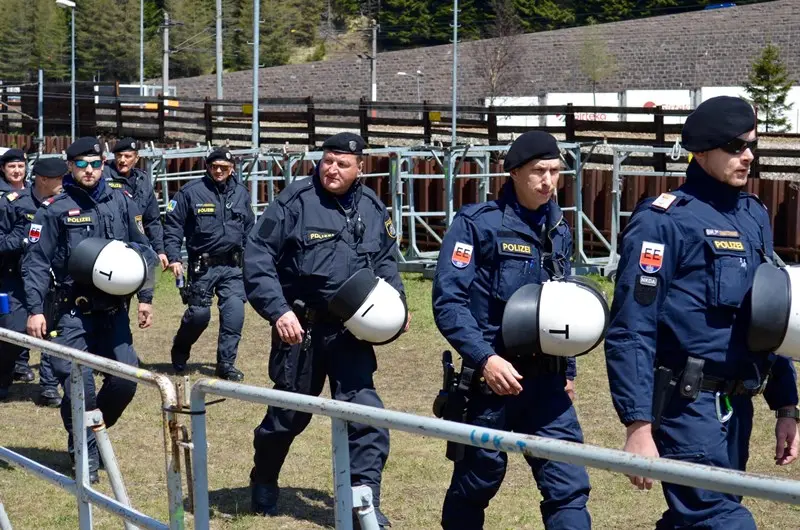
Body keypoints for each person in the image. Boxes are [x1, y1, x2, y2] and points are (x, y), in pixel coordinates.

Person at [605, 96, 799, 529]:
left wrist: (787, 406)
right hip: (688, 405)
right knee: (722, 519)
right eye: (736, 146)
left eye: (752, 145)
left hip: (736, 406)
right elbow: (632, 328)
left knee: (696, 518)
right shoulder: (663, 222)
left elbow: (770, 318)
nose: (748, 156)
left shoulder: (753, 216)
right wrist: (638, 425)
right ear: (704, 149)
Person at [244, 132, 407, 526]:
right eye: (327, 160)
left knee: (366, 415)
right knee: (288, 416)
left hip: (352, 332)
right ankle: (264, 479)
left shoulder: (372, 207)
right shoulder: (295, 202)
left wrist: (397, 302)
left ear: (360, 168)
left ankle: (363, 503)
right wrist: (278, 311)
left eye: (343, 163)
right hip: (302, 330)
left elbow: (385, 261)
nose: (332, 169)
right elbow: (257, 254)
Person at [431, 130, 590, 530]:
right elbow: (448, 302)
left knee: (568, 485)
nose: (548, 181)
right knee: (476, 481)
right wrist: (485, 360)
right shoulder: (476, 225)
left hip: (547, 386)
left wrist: (568, 371)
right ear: (514, 172)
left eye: (555, 171)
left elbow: (563, 307)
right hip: (491, 383)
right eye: (538, 171)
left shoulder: (560, 230)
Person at [22, 137, 153, 484]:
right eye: (81, 164)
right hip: (71, 314)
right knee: (82, 385)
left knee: (126, 381)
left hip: (113, 313)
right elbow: (35, 263)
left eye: (95, 163)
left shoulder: (121, 202)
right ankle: (86, 453)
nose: (90, 170)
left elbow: (144, 251)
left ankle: (91, 434)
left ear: (104, 164)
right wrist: (35, 310)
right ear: (70, 167)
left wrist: (146, 296)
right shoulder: (54, 209)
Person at [163, 147, 254, 381]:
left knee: (234, 313)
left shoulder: (241, 193)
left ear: (232, 169)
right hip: (202, 266)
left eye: (224, 167)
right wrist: (174, 258)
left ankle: (225, 364)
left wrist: (254, 258)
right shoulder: (191, 192)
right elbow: (173, 226)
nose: (219, 171)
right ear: (208, 167)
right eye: (215, 167)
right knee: (199, 315)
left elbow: (249, 228)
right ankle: (181, 348)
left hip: (233, 266)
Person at [0, 157, 64, 405]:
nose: (62, 184)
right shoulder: (12, 204)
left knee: (54, 330)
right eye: (58, 179)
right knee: (14, 332)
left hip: (50, 278)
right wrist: (22, 241)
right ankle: (3, 376)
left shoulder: (63, 204)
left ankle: (49, 387)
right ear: (43, 180)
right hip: (15, 279)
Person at [103, 137, 168, 269]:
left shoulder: (142, 180)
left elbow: (152, 220)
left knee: (146, 288)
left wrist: (160, 250)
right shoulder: (103, 177)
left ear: (136, 158)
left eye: (127, 156)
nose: (122, 160)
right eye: (119, 156)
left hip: (139, 249)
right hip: (110, 250)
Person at [0, 148, 35, 384]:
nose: (17, 171)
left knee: (28, 314)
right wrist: (23, 239)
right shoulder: (2, 196)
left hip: (31, 268)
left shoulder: (34, 191)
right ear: (3, 169)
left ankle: (21, 363)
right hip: (6, 267)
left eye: (20, 166)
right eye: (12, 167)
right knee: (10, 319)